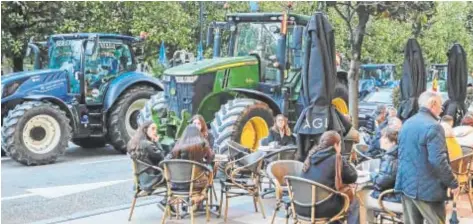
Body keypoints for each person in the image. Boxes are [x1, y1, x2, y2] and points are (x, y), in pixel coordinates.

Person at [395, 91, 458, 224]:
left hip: (407, 186)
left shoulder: (407, 123)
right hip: (428, 190)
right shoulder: (434, 127)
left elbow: (400, 153)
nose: (441, 110)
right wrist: (452, 182)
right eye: (441, 106)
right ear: (433, 104)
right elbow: (438, 160)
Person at [301, 131, 359, 224]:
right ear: (336, 145)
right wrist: (344, 159)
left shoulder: (310, 156)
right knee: (354, 201)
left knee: (333, 197)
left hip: (301, 206)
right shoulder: (335, 158)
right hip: (322, 209)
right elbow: (353, 177)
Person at [127, 121, 165, 194]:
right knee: (173, 177)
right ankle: (166, 201)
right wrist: (157, 142)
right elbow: (162, 157)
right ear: (145, 130)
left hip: (140, 178)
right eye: (153, 129)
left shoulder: (132, 142)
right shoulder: (147, 144)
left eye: (156, 129)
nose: (155, 132)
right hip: (151, 179)